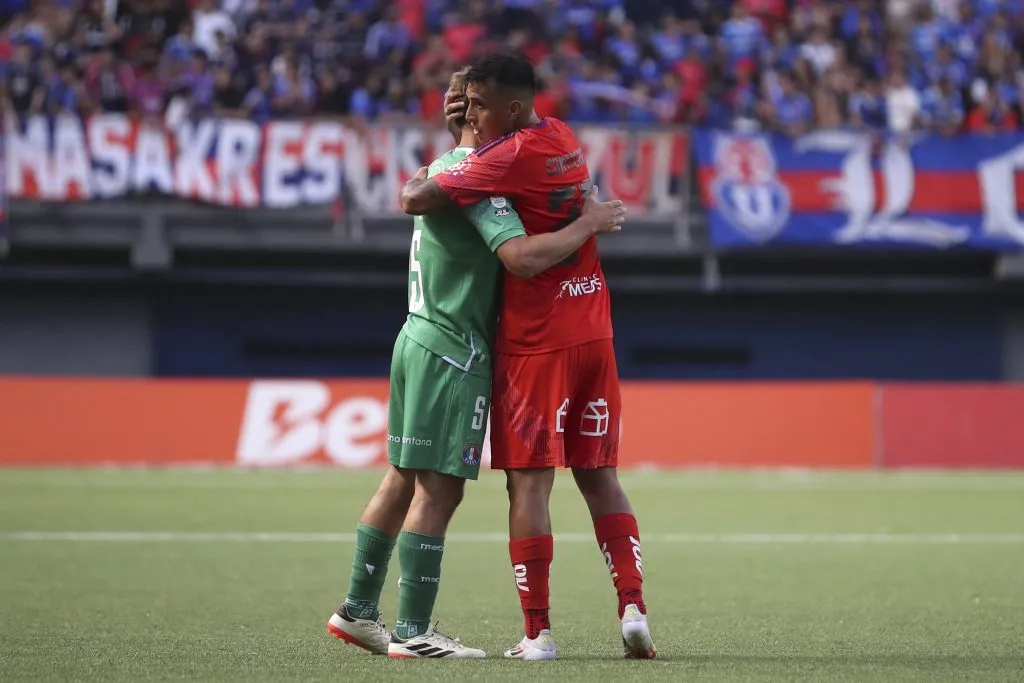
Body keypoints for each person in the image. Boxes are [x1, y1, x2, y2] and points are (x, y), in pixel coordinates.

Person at [327, 67, 627, 660]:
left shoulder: (442, 169)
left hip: (415, 334)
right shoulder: (481, 190)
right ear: (487, 116)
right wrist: (587, 223)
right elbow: (519, 257)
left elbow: (419, 189)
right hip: (454, 350)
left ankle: (358, 611)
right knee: (439, 494)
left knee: (401, 479)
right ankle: (413, 632)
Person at [399, 53, 656, 661]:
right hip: (594, 324)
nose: (472, 113)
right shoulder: (560, 134)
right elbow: (504, 164)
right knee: (601, 477)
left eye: (480, 105)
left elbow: (419, 197)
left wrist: (461, 144)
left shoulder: (505, 158)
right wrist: (589, 221)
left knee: (529, 486)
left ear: (510, 109)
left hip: (538, 341)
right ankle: (633, 606)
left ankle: (538, 633)